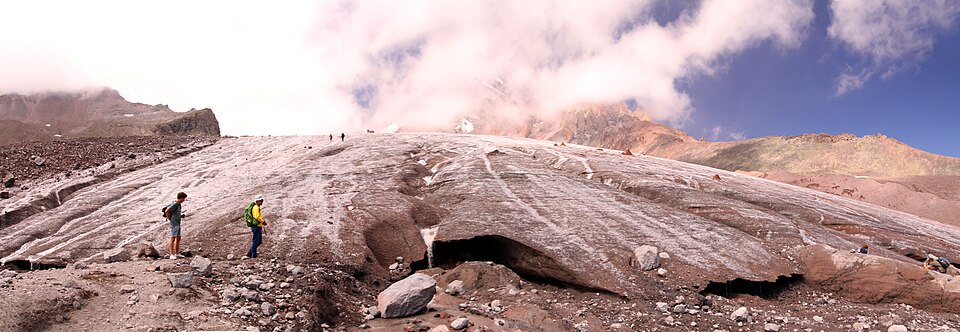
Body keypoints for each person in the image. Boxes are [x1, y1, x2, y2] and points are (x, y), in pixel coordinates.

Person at [165, 192, 187, 259]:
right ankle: (171, 254)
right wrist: (169, 218)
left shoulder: (178, 204)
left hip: (178, 222)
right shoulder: (175, 204)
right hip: (174, 223)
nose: (184, 200)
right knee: (173, 238)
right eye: (183, 198)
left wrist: (180, 216)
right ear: (181, 198)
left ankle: (177, 253)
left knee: (178, 238)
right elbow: (167, 211)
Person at [244, 195, 267, 259]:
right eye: (261, 200)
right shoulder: (256, 207)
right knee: (256, 241)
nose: (262, 202)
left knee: (258, 241)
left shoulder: (256, 207)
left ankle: (250, 253)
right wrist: (263, 221)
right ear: (258, 201)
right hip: (256, 226)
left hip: (256, 226)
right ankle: (253, 255)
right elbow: (256, 216)